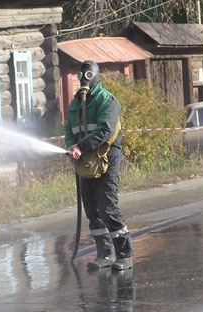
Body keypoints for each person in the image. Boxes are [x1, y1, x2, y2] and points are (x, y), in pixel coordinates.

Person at [65, 60, 133, 271]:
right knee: (92, 210)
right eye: (81, 75)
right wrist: (72, 147)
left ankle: (124, 255)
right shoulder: (76, 104)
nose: (83, 79)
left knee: (108, 208)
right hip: (85, 160)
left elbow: (106, 130)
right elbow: (69, 130)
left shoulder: (108, 100)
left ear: (94, 76)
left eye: (87, 75)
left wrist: (81, 146)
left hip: (107, 158)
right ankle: (104, 254)